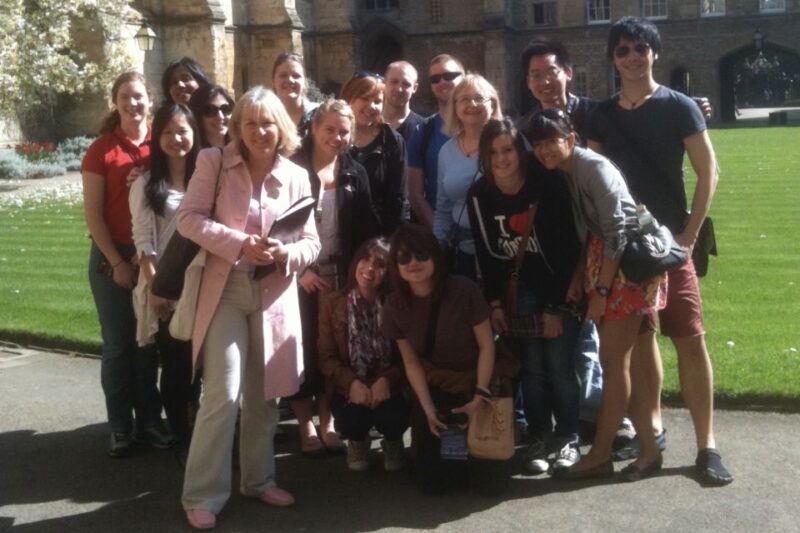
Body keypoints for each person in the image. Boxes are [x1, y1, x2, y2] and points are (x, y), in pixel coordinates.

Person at [586, 16, 731, 485]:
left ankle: (707, 445)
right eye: (623, 49)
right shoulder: (602, 115)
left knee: (690, 339)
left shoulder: (679, 106)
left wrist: (688, 238)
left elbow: (709, 172)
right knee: (641, 345)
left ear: (654, 52)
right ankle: (652, 438)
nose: (632, 56)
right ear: (613, 57)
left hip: (669, 246)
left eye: (640, 48)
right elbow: (591, 182)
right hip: (626, 254)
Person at [177, 86, 320, 530]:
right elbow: (188, 218)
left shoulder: (297, 174)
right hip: (226, 289)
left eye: (268, 123)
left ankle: (259, 479)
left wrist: (285, 254)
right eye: (251, 123)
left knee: (266, 392)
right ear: (237, 127)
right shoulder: (214, 162)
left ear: (283, 128)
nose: (261, 131)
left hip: (274, 292)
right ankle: (202, 493)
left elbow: (311, 241)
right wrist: (241, 243)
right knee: (223, 391)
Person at [529, 108, 667, 482]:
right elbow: (594, 231)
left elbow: (617, 232)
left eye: (550, 142)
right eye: (538, 144)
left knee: (613, 364)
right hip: (612, 266)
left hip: (625, 271)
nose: (544, 151)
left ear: (570, 139)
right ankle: (649, 451)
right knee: (627, 364)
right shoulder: (570, 171)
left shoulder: (592, 168)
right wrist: (579, 277)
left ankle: (602, 454)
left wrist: (602, 290)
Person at [467, 118, 582, 475]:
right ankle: (538, 435)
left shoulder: (547, 186)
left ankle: (567, 437)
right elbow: (485, 254)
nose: (502, 159)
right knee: (532, 370)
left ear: (521, 152)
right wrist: (495, 302)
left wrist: (555, 307)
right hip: (518, 292)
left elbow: (567, 251)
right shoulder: (480, 194)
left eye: (508, 150)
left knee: (560, 367)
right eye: (493, 152)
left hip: (558, 289)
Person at [81, 71, 172, 458]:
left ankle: (151, 421)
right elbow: (94, 216)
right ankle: (120, 425)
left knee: (147, 345)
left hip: (152, 253)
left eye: (139, 96)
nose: (133, 103)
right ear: (115, 102)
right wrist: (117, 262)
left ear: (150, 100)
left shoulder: (163, 143)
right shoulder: (102, 150)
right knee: (119, 346)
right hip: (112, 257)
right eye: (125, 97)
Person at [382, 223, 509, 496]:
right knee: (432, 483)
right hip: (436, 386)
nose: (413, 263)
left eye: (421, 255)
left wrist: (479, 397)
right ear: (395, 265)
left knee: (488, 483)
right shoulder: (394, 304)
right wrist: (427, 410)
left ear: (436, 257)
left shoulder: (464, 290)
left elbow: (487, 346)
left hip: (477, 381)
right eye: (404, 258)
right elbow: (411, 362)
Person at [288, 99, 380, 457]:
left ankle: (326, 421)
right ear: (314, 128)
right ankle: (304, 424)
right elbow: (274, 228)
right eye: (330, 129)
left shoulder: (355, 172)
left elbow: (368, 228)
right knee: (298, 348)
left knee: (329, 349)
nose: (337, 137)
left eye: (344, 132)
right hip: (297, 273)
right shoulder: (293, 169)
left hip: (339, 275)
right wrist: (299, 271)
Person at [130, 103, 201, 464]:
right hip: (166, 291)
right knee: (176, 368)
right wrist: (157, 290)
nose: (176, 139)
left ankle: (203, 434)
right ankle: (181, 437)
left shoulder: (208, 179)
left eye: (183, 131)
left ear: (194, 133)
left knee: (201, 365)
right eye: (168, 132)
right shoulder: (145, 185)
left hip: (204, 285)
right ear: (157, 138)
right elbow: (144, 242)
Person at [318, 237, 409, 472]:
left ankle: (393, 440)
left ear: (389, 273)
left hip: (389, 386)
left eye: (380, 265)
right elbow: (326, 358)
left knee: (394, 417)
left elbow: (408, 358)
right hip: (350, 385)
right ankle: (357, 441)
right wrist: (351, 384)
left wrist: (387, 379)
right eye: (365, 260)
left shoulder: (397, 305)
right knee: (351, 419)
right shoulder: (332, 303)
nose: (369, 269)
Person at [432, 73, 502, 281]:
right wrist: (437, 248)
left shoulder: (508, 143)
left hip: (502, 246)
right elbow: (443, 206)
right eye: (464, 99)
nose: (472, 104)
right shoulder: (447, 151)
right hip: (464, 251)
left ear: (492, 104)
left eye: (479, 98)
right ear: (455, 106)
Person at [340, 72, 407, 235]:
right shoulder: (335, 137)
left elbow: (397, 199)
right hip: (337, 233)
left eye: (377, 101)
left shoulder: (392, 141)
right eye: (364, 98)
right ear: (349, 98)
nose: (371, 106)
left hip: (376, 235)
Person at [407, 54, 464, 227]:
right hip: (440, 232)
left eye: (449, 76)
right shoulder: (422, 132)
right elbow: (415, 195)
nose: (442, 82)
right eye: (435, 79)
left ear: (464, 77)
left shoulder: (481, 127)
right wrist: (439, 234)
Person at [272, 52, 319, 138]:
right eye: (283, 75)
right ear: (273, 82)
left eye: (296, 76)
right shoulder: (266, 119)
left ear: (304, 82)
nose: (290, 80)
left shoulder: (319, 115)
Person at [383, 60, 424, 143]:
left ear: (415, 88)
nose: (399, 89)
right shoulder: (368, 123)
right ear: (384, 83)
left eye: (406, 84)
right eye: (394, 82)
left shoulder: (423, 129)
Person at [188, 84, 235, 149]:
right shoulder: (190, 154)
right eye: (211, 111)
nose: (220, 117)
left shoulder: (243, 149)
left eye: (225, 109)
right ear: (197, 115)